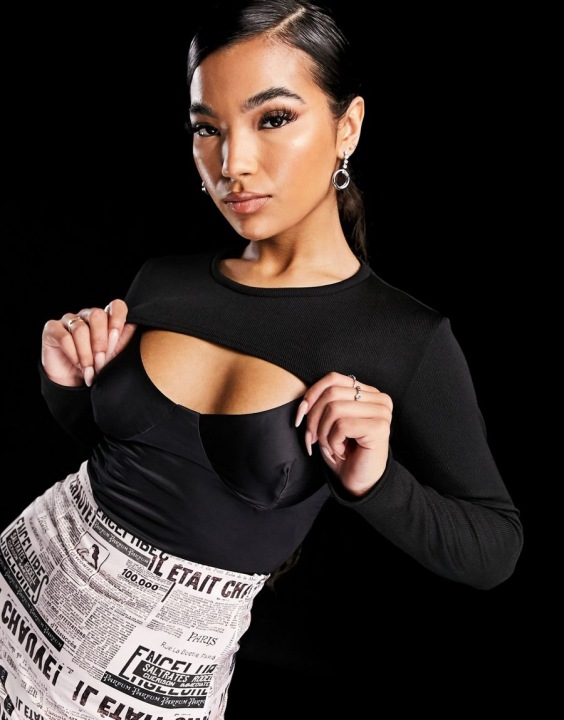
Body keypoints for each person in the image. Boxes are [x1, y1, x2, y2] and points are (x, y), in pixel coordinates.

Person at [0, 1, 523, 718]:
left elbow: (495, 548)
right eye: (207, 129)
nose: (233, 164)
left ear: (348, 126)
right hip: (15, 592)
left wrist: (378, 483)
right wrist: (63, 380)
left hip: (141, 695)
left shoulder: (402, 337)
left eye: (272, 118)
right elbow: (132, 460)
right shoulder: (165, 280)